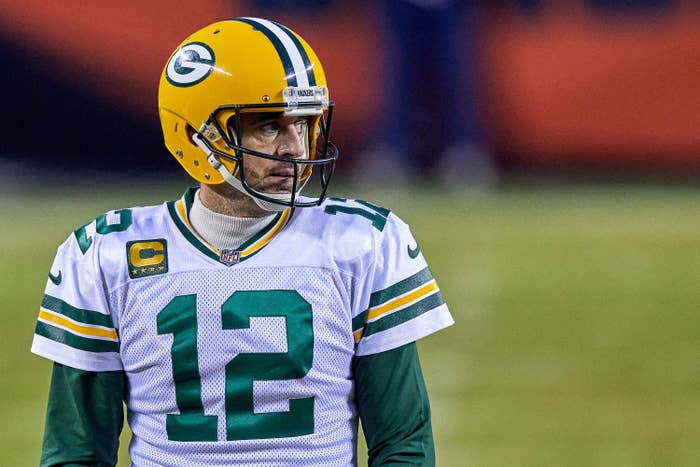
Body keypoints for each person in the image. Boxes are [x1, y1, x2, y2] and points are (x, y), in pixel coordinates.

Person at [31, 17, 454, 466]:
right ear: (198, 136)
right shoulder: (106, 255)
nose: (294, 146)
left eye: (305, 123)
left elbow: (402, 444)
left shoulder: (362, 243)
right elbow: (75, 453)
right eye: (269, 126)